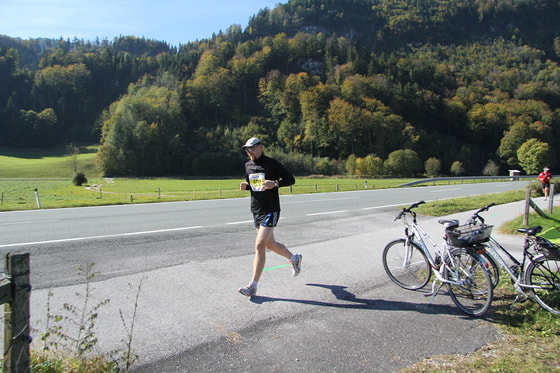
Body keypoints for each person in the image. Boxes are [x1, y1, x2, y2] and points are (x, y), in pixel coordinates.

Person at [238, 137, 302, 297]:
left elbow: (290, 179)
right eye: (247, 150)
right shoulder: (248, 166)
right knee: (270, 244)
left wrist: (275, 184)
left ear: (260, 147)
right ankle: (294, 258)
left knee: (259, 245)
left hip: (271, 209)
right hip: (256, 210)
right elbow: (253, 185)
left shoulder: (271, 164)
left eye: (251, 148)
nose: (249, 152)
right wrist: (246, 186)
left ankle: (253, 285)